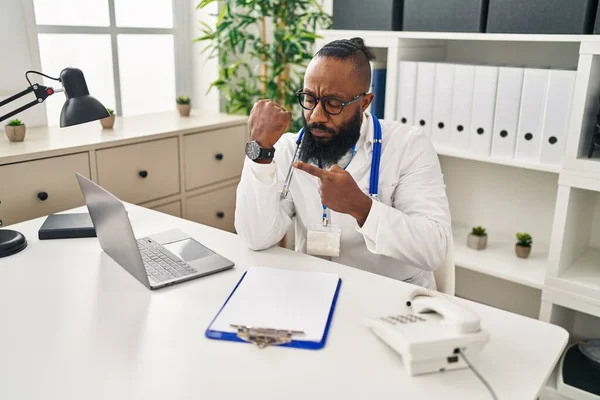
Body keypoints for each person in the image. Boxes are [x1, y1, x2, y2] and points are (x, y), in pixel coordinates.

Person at [234, 37, 451, 289]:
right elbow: (256, 238)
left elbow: (434, 249)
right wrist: (260, 153)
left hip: (392, 295)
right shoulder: (288, 149)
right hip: (315, 290)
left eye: (333, 104)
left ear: (364, 102)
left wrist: (361, 208)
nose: (316, 116)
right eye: (309, 98)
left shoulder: (408, 146)